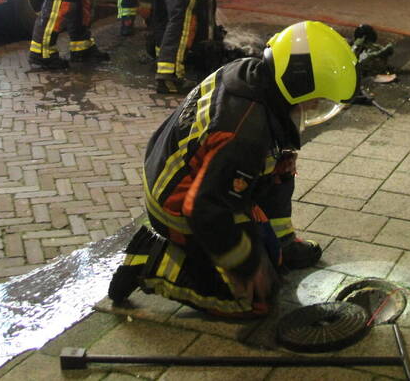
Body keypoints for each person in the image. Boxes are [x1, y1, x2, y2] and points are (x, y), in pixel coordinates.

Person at [107, 21, 358, 317]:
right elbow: (206, 211)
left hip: (188, 176)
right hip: (180, 208)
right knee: (256, 300)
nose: (314, 110)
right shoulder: (245, 134)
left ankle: (282, 241)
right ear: (297, 82)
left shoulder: (251, 75)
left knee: (281, 159)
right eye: (315, 103)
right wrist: (250, 267)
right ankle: (152, 263)